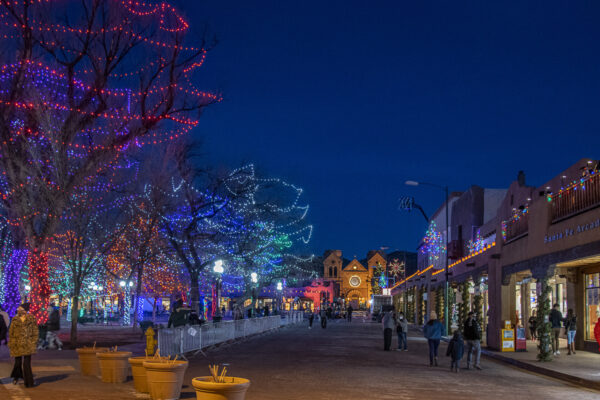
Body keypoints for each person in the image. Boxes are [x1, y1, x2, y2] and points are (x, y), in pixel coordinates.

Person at [9, 303, 38, 387]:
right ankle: (16, 376)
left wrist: (33, 341)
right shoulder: (15, 319)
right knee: (17, 362)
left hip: (28, 344)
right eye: (19, 309)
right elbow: (11, 332)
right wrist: (11, 343)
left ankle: (29, 382)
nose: (19, 310)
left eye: (21, 309)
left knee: (26, 364)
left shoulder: (31, 319)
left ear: (25, 311)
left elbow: (35, 331)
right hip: (17, 344)